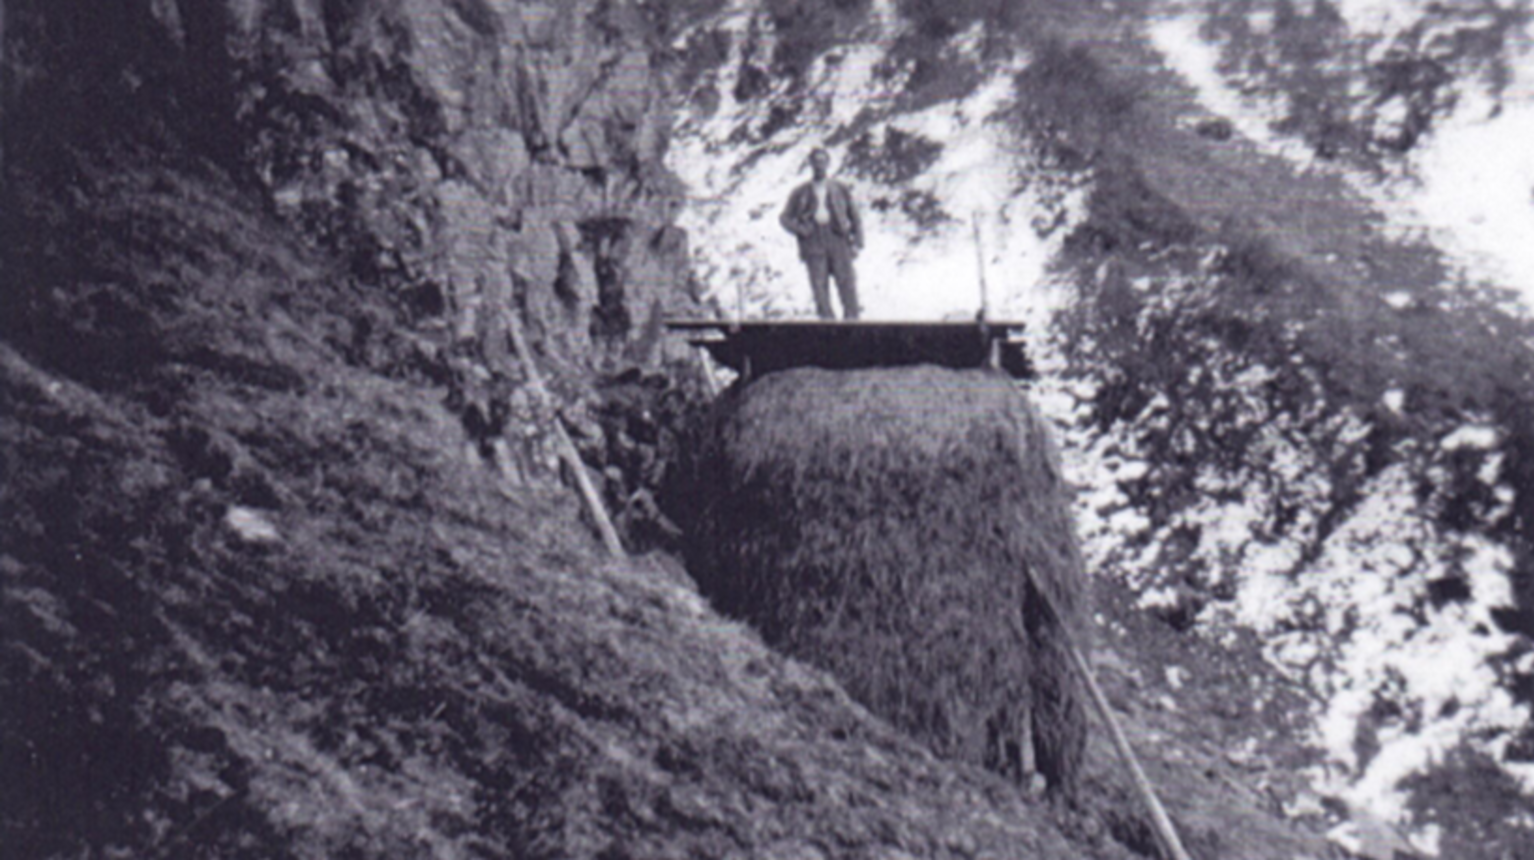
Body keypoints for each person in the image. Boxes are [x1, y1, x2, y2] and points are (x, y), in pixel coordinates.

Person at [779, 148, 863, 320]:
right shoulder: (800, 191)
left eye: (823, 161)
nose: (819, 165)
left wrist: (857, 242)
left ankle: (852, 321)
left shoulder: (840, 188)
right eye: (816, 161)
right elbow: (785, 217)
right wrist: (802, 230)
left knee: (846, 282)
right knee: (819, 286)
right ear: (811, 164)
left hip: (838, 238)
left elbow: (854, 216)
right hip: (814, 242)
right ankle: (827, 323)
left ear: (828, 164)